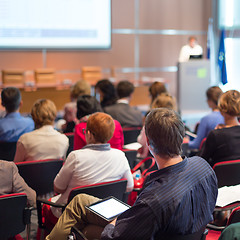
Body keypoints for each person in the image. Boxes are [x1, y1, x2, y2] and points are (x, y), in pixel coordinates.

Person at [46, 108, 218, 240]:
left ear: (149, 143)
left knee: (85, 230)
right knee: (80, 201)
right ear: (182, 138)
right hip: (164, 226)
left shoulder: (154, 200)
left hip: (142, 226)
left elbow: (113, 237)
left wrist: (115, 223)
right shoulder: (204, 168)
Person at [46, 112, 133, 224]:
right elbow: (129, 187)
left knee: (47, 208)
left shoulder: (76, 156)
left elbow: (58, 187)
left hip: (73, 215)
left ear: (89, 134)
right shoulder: (120, 155)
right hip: (106, 214)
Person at [200, 90, 240, 166]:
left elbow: (201, 161)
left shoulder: (215, 135)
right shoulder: (217, 134)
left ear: (221, 109)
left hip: (219, 177)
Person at [137, 93, 176, 158]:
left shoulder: (149, 125)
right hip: (171, 161)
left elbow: (141, 141)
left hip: (150, 161)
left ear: (155, 105)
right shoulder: (176, 126)